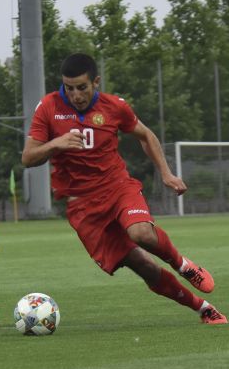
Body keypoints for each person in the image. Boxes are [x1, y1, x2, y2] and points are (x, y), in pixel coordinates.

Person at [22, 53, 226, 325]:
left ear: (95, 82)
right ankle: (203, 309)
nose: (75, 95)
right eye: (68, 88)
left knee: (141, 232)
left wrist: (166, 173)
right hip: (83, 208)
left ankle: (184, 265)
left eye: (81, 87)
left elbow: (146, 135)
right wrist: (56, 143)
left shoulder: (114, 106)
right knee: (144, 267)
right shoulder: (48, 107)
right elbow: (28, 158)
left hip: (117, 187)